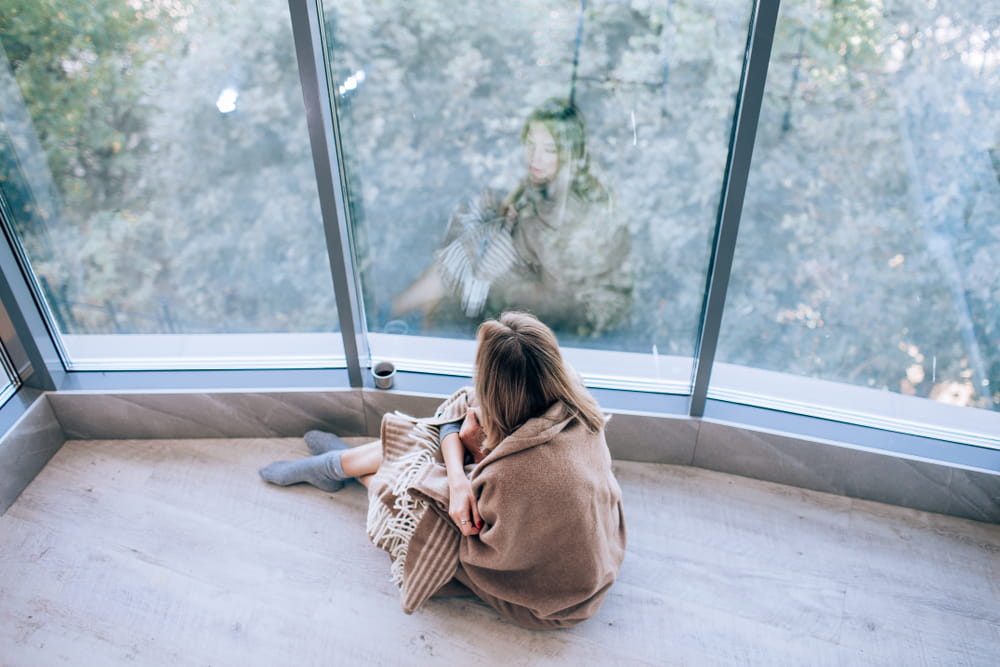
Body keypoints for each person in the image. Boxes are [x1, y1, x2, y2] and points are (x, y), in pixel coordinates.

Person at [259, 312, 627, 629]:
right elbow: (458, 414)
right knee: (432, 441)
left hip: (549, 597)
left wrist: (462, 471)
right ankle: (339, 465)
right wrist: (457, 477)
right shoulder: (572, 399)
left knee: (409, 491)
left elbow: (483, 538)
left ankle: (341, 467)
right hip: (594, 549)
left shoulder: (518, 474)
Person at [390, 98, 633, 338]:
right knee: (463, 253)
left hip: (565, 316)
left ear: (570, 153)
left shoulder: (568, 210)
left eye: (550, 150)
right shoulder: (548, 184)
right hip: (526, 279)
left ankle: (398, 313)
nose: (535, 158)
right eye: (530, 144)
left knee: (456, 272)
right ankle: (409, 317)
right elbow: (520, 209)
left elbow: (560, 300)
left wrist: (491, 284)